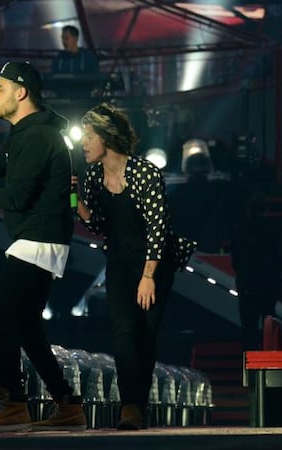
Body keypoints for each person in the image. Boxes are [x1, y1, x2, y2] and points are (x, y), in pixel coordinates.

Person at [0, 61, 86, 432]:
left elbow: (16, 197)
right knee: (26, 325)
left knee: (1, 314)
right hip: (36, 238)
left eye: (0, 88)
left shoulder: (39, 136)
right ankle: (68, 404)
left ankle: (13, 401)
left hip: (39, 238)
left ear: (20, 92)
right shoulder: (23, 133)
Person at [75, 103, 195, 430]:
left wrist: (148, 276)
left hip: (154, 263)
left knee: (145, 335)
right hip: (119, 263)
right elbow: (97, 225)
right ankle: (130, 406)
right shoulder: (93, 175)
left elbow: (158, 228)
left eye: (88, 136)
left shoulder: (144, 173)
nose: (83, 143)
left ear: (106, 137)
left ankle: (138, 405)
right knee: (123, 333)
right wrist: (75, 198)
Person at [230, 192, 282, 351]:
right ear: (266, 209)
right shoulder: (276, 229)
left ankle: (249, 362)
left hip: (247, 284)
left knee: (248, 327)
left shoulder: (239, 230)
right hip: (269, 284)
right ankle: (270, 358)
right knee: (269, 322)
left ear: (249, 209)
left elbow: (235, 260)